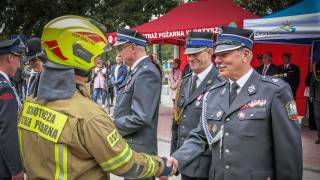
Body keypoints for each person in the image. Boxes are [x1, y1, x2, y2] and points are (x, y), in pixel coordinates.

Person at [18, 15, 175, 179]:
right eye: (94, 57)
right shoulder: (90, 117)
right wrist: (162, 166)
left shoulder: (28, 103)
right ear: (82, 58)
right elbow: (124, 163)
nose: (95, 63)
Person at [168, 26, 302, 180]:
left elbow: (288, 154)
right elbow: (201, 136)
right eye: (217, 55)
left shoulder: (274, 91)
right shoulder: (214, 93)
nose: (217, 60)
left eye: (224, 54)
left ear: (245, 55)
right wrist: (176, 160)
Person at [113, 28, 162, 180]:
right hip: (134, 147)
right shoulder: (138, 70)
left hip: (140, 151)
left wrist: (112, 125)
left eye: (121, 48)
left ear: (133, 47)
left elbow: (141, 116)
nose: (119, 53)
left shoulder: (146, 72)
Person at [171, 32, 221, 180]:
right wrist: (174, 156)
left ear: (210, 52)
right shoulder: (185, 81)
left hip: (207, 163)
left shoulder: (221, 82)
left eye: (196, 53)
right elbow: (177, 123)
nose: (190, 58)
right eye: (188, 54)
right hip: (184, 160)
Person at [0, 38, 24, 180]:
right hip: (4, 165)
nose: (19, 66)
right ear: (10, 58)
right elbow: (7, 131)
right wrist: (16, 169)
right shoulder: (5, 89)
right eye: (18, 60)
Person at [310, 61, 320, 144]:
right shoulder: (316, 66)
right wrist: (312, 95)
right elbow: (312, 81)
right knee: (317, 118)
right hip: (317, 97)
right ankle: (319, 137)